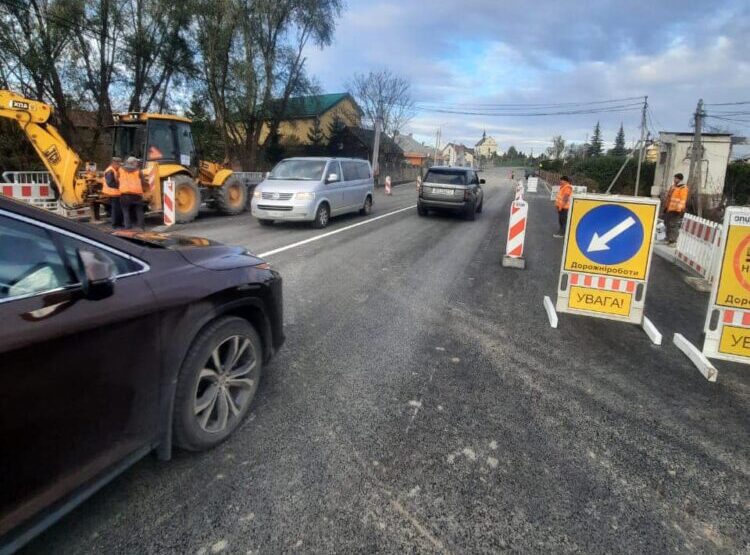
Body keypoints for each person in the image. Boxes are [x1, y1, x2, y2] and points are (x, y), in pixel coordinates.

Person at [119, 156, 148, 230]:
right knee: (139, 211)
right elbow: (143, 182)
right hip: (136, 195)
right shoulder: (138, 171)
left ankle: (127, 227)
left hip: (124, 195)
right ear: (132, 162)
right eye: (136, 162)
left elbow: (116, 179)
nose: (137, 163)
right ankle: (141, 227)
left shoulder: (121, 170)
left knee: (125, 211)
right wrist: (145, 189)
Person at [663, 173, 688, 244]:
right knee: (667, 223)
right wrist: (666, 207)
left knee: (673, 224)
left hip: (676, 209)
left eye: (676, 178)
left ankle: (673, 240)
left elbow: (683, 200)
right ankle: (668, 238)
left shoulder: (683, 188)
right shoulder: (673, 187)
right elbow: (669, 197)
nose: (674, 179)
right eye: (674, 178)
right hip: (669, 208)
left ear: (680, 179)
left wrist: (680, 209)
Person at [101, 157, 123, 228]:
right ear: (114, 163)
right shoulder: (110, 171)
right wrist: (121, 186)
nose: (119, 166)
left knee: (118, 209)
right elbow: (110, 183)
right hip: (112, 193)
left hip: (116, 193)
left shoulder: (115, 170)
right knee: (115, 209)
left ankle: (119, 223)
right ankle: (115, 224)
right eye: (118, 164)